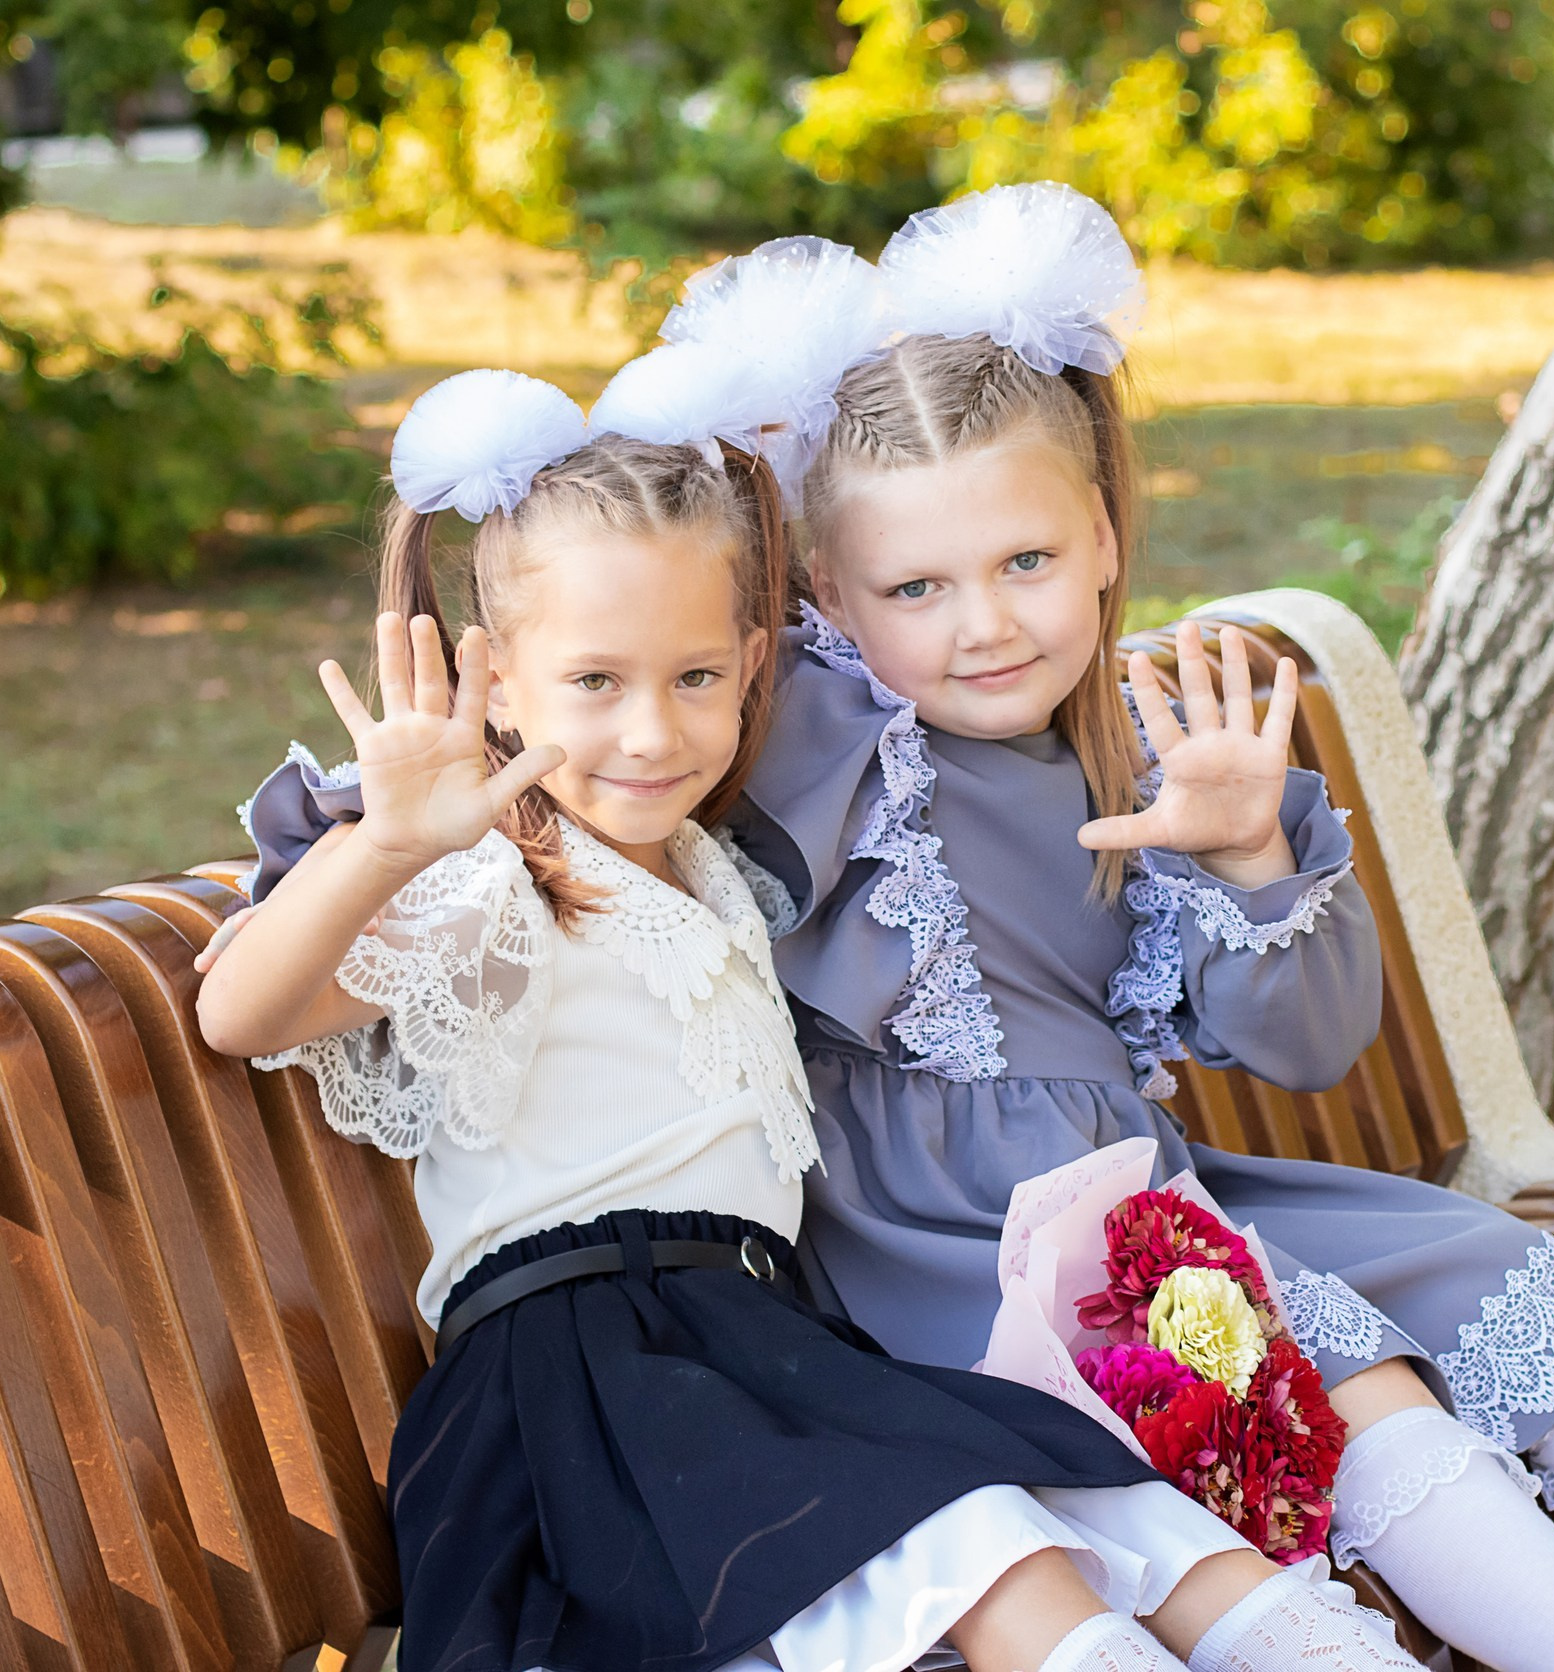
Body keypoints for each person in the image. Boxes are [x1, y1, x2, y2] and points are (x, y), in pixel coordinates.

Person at [710, 184, 1554, 1672]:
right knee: (1322, 1354)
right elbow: (616, 674)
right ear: (830, 598)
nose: (982, 624)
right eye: (916, 587)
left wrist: (1248, 854)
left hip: (1143, 1195)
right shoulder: (819, 743)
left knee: (1483, 1269)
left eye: (1024, 563)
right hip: (953, 1256)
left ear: (1103, 537)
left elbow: (1307, 1051)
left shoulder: (1161, 750)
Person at [195, 308, 1430, 1672]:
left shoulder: (719, 880)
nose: (652, 730)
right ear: (496, 679)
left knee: (1144, 1536)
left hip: (768, 1347)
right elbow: (240, 1013)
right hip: (596, 1376)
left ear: (754, 669)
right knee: (1001, 1556)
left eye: (697, 678)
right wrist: (383, 847)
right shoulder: (495, 888)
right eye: (594, 681)